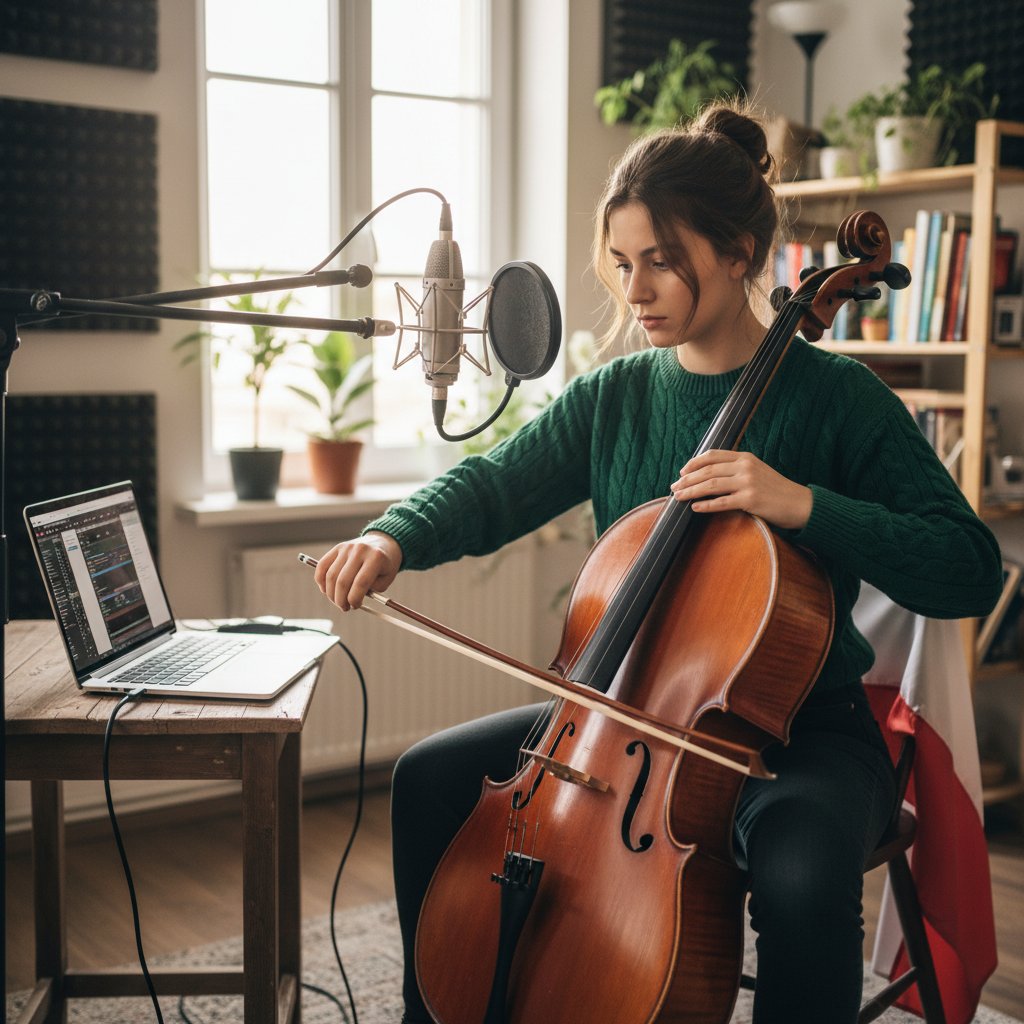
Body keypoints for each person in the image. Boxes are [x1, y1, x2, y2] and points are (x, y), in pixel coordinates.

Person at [312, 103, 1003, 1024]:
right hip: (619, 716)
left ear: (740, 254)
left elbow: (968, 565)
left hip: (803, 735)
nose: (635, 290)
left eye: (661, 261)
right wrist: (392, 536)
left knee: (801, 871)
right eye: (622, 262)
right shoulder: (616, 395)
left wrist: (802, 505)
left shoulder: (840, 399)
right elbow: (493, 485)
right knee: (429, 780)